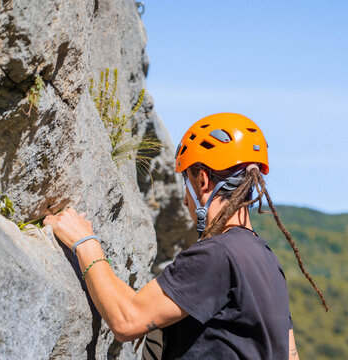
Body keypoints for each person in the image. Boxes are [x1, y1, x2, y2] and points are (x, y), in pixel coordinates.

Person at [43, 113, 327, 359]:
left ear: (202, 179)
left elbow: (126, 320)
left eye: (186, 183)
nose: (184, 202)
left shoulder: (216, 254)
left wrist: (85, 243)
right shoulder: (269, 263)